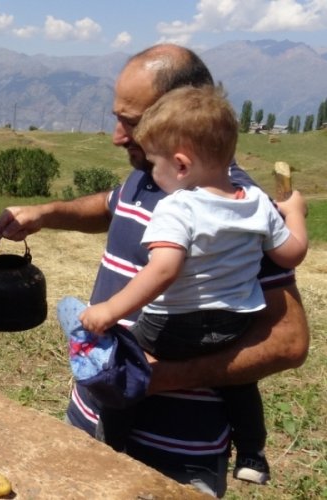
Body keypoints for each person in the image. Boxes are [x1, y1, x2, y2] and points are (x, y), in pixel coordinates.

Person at [0, 44, 310, 498]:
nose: (118, 136)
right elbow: (110, 206)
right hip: (91, 424)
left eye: (132, 121)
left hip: (176, 458)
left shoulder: (236, 212)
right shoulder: (150, 175)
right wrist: (44, 213)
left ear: (180, 122)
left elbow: (288, 342)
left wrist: (147, 379)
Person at [76, 85, 309, 484]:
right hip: (234, 325)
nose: (151, 173)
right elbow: (292, 253)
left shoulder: (177, 207)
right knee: (239, 381)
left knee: (124, 367)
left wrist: (108, 312)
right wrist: (295, 212)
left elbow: (162, 270)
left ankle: (110, 442)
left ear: (181, 166)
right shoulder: (255, 201)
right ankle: (252, 453)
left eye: (154, 164)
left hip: (175, 325)